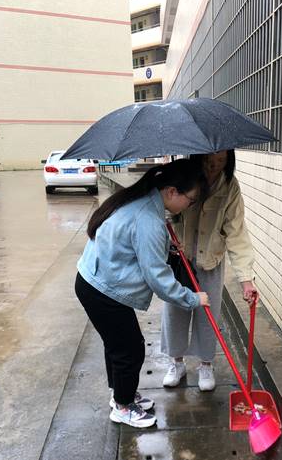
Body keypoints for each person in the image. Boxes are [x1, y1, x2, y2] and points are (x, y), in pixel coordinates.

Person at [75, 159, 210, 429]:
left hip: (98, 281)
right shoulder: (149, 218)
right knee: (130, 349)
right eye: (191, 200)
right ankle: (123, 406)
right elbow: (159, 280)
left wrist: (166, 247)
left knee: (118, 345)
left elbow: (134, 243)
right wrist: (194, 298)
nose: (190, 205)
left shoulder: (144, 201)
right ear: (172, 191)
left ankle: (121, 395)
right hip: (102, 290)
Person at [160, 150, 256, 391]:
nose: (214, 166)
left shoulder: (230, 186)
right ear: (198, 157)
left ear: (229, 160)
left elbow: (236, 231)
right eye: (209, 160)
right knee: (175, 310)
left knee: (207, 314)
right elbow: (166, 206)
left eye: (221, 161)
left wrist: (246, 279)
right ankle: (176, 363)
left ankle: (206, 364)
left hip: (210, 259)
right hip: (180, 258)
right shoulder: (185, 176)